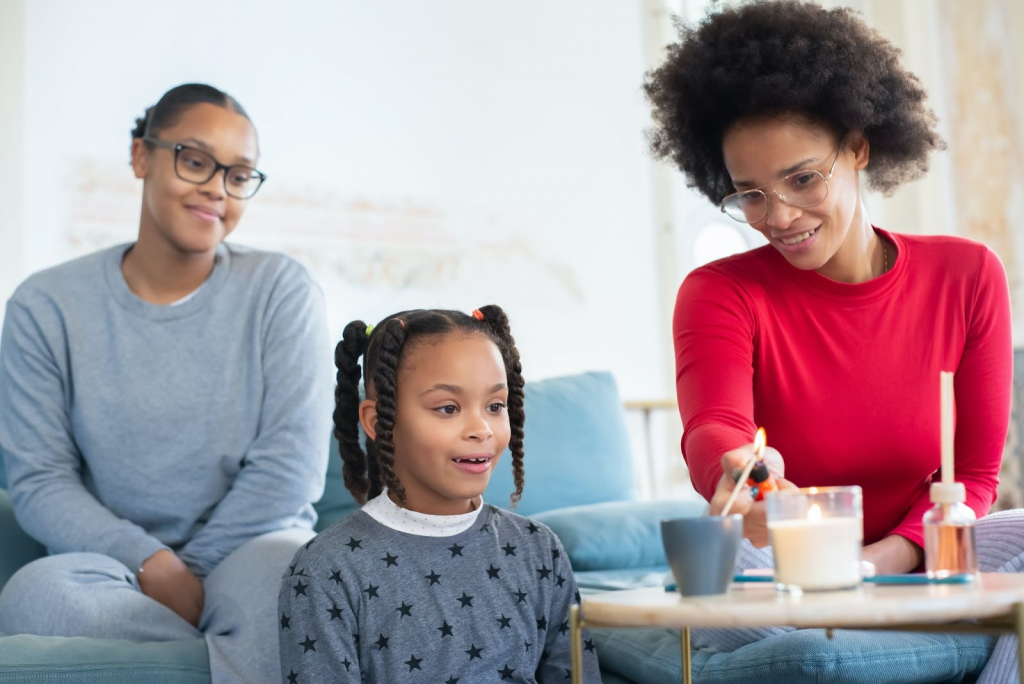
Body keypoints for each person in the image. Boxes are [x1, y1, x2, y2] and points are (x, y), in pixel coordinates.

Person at [593, 3, 1023, 683]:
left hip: (915, 555)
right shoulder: (719, 292)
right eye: (751, 196)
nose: (780, 218)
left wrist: (882, 561)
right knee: (733, 570)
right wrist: (735, 468)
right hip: (781, 562)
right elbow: (714, 428)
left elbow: (971, 477)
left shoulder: (968, 275)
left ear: (858, 146)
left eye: (802, 179)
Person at [0, 83, 332, 684]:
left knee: (299, 585)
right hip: (107, 566)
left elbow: (289, 468)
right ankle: (232, 652)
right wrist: (150, 563)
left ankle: (225, 639)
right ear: (141, 156)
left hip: (253, 549)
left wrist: (190, 576)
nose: (216, 188)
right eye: (196, 160)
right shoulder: (44, 305)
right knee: (35, 598)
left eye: (239, 175)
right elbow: (40, 479)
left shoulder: (282, 290)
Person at [278, 306, 602, 683]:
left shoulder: (539, 549)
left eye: (495, 406)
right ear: (378, 421)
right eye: (448, 408)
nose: (481, 429)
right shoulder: (324, 570)